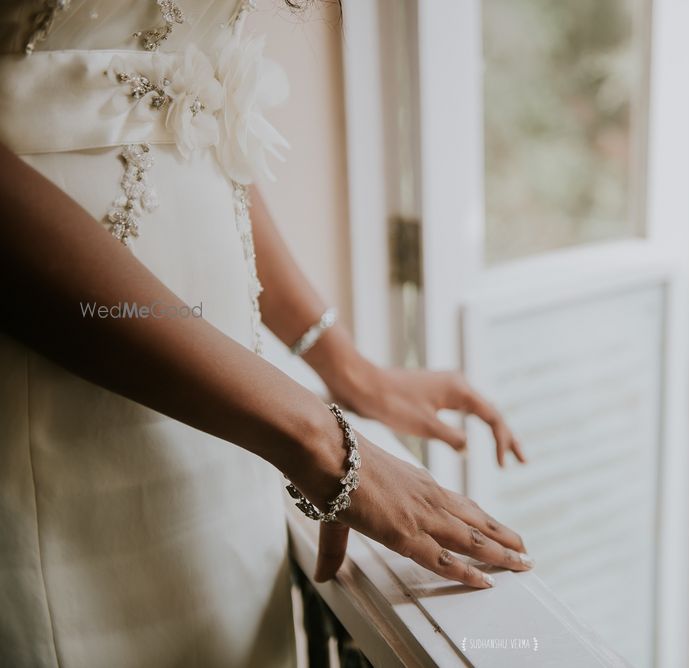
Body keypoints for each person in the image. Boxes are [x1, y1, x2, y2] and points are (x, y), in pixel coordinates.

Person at [0, 1, 530, 666]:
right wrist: (320, 443)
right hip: (54, 394)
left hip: (231, 420)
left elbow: (194, 120)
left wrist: (346, 369)